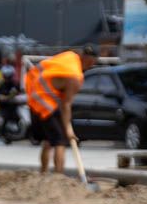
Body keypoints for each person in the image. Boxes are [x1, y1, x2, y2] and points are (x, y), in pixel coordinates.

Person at [24, 44, 99, 173]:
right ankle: (59, 178)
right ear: (89, 60)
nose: (91, 66)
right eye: (92, 62)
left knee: (48, 140)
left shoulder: (70, 56)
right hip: (45, 101)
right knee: (60, 141)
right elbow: (66, 104)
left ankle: (43, 174)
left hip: (35, 95)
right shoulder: (75, 76)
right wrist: (69, 129)